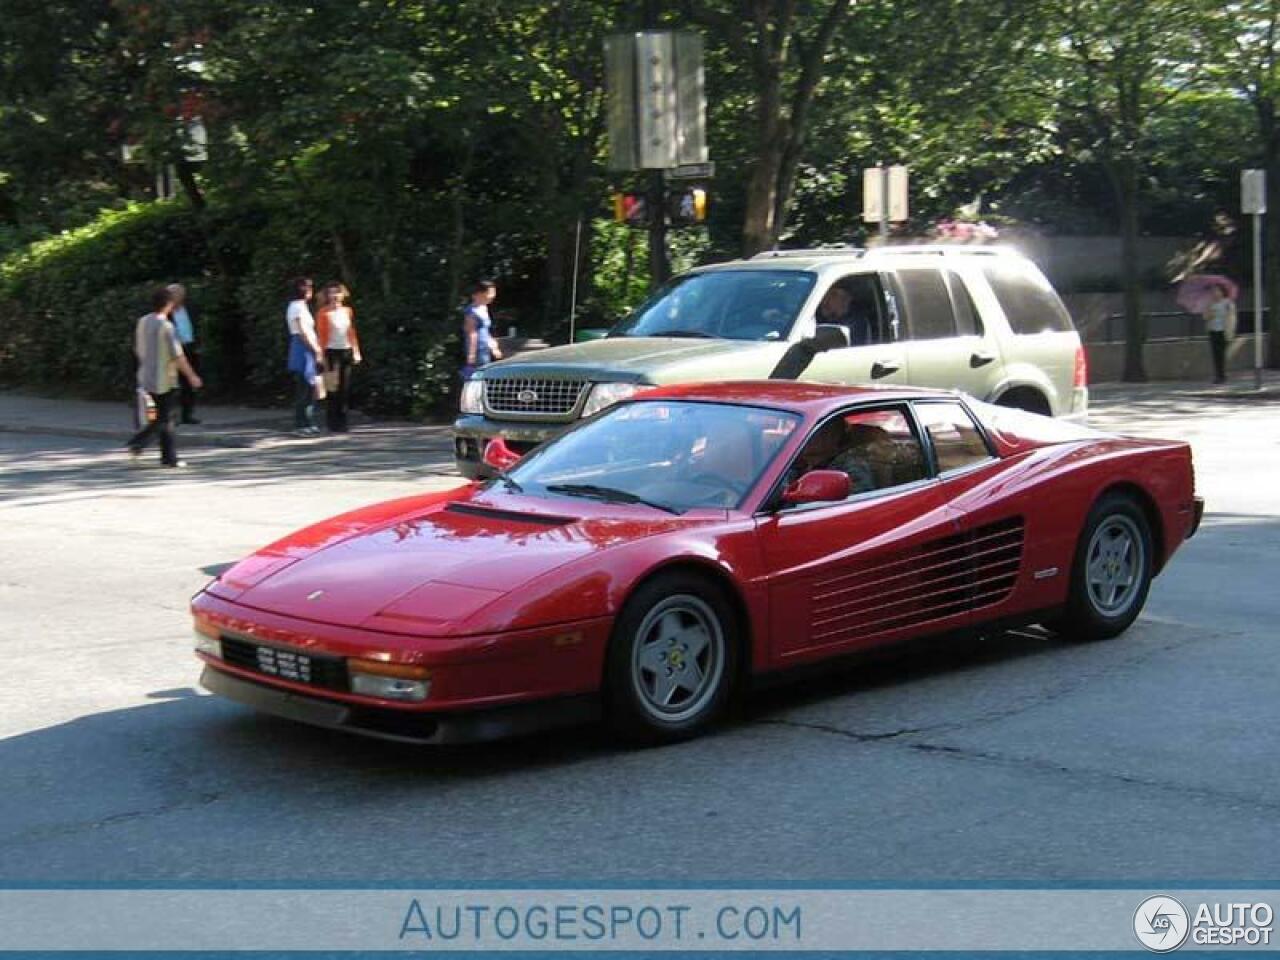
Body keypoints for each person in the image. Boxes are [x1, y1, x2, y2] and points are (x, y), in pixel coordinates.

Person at [126, 287, 202, 467]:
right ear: (168, 304)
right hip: (164, 379)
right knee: (165, 418)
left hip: (145, 375)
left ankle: (168, 457)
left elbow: (137, 348)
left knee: (164, 418)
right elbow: (178, 356)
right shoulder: (166, 326)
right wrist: (192, 376)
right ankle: (138, 443)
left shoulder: (143, 321)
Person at [315, 281, 362, 432]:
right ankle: (332, 422)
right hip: (330, 352)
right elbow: (321, 336)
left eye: (337, 292)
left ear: (342, 294)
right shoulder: (323, 313)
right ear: (327, 295)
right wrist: (321, 355)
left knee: (344, 387)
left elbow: (352, 332)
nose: (334, 296)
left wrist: (356, 351)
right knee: (332, 388)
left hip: (346, 350)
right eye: (331, 293)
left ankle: (343, 421)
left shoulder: (348, 311)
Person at [285, 277, 323, 434]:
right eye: (308, 288)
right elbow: (302, 332)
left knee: (310, 385)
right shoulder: (296, 307)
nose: (310, 291)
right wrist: (316, 349)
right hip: (303, 348)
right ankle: (300, 424)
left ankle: (308, 421)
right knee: (304, 386)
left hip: (308, 347)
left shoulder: (303, 306)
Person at [168, 283, 201, 424]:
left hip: (189, 348)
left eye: (178, 294)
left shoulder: (190, 309)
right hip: (172, 351)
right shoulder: (165, 312)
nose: (174, 297)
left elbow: (196, 326)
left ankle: (187, 414)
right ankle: (171, 416)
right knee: (172, 385)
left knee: (189, 384)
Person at [461, 279, 502, 380]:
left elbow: (485, 331)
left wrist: (493, 347)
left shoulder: (484, 308)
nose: (493, 295)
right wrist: (471, 357)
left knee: (484, 379)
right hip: (477, 352)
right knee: (476, 381)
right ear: (480, 293)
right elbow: (472, 334)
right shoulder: (471, 312)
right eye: (490, 293)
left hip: (485, 351)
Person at [1204, 284, 1237, 384]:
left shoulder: (1227, 303)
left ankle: (1222, 375)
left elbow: (1232, 316)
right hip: (1213, 330)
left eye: (1217, 291)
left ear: (1222, 292)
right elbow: (1205, 317)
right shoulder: (1210, 303)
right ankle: (1218, 375)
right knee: (1215, 354)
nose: (1215, 293)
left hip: (1224, 331)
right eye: (1213, 291)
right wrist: (1210, 313)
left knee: (1221, 354)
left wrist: (1231, 329)